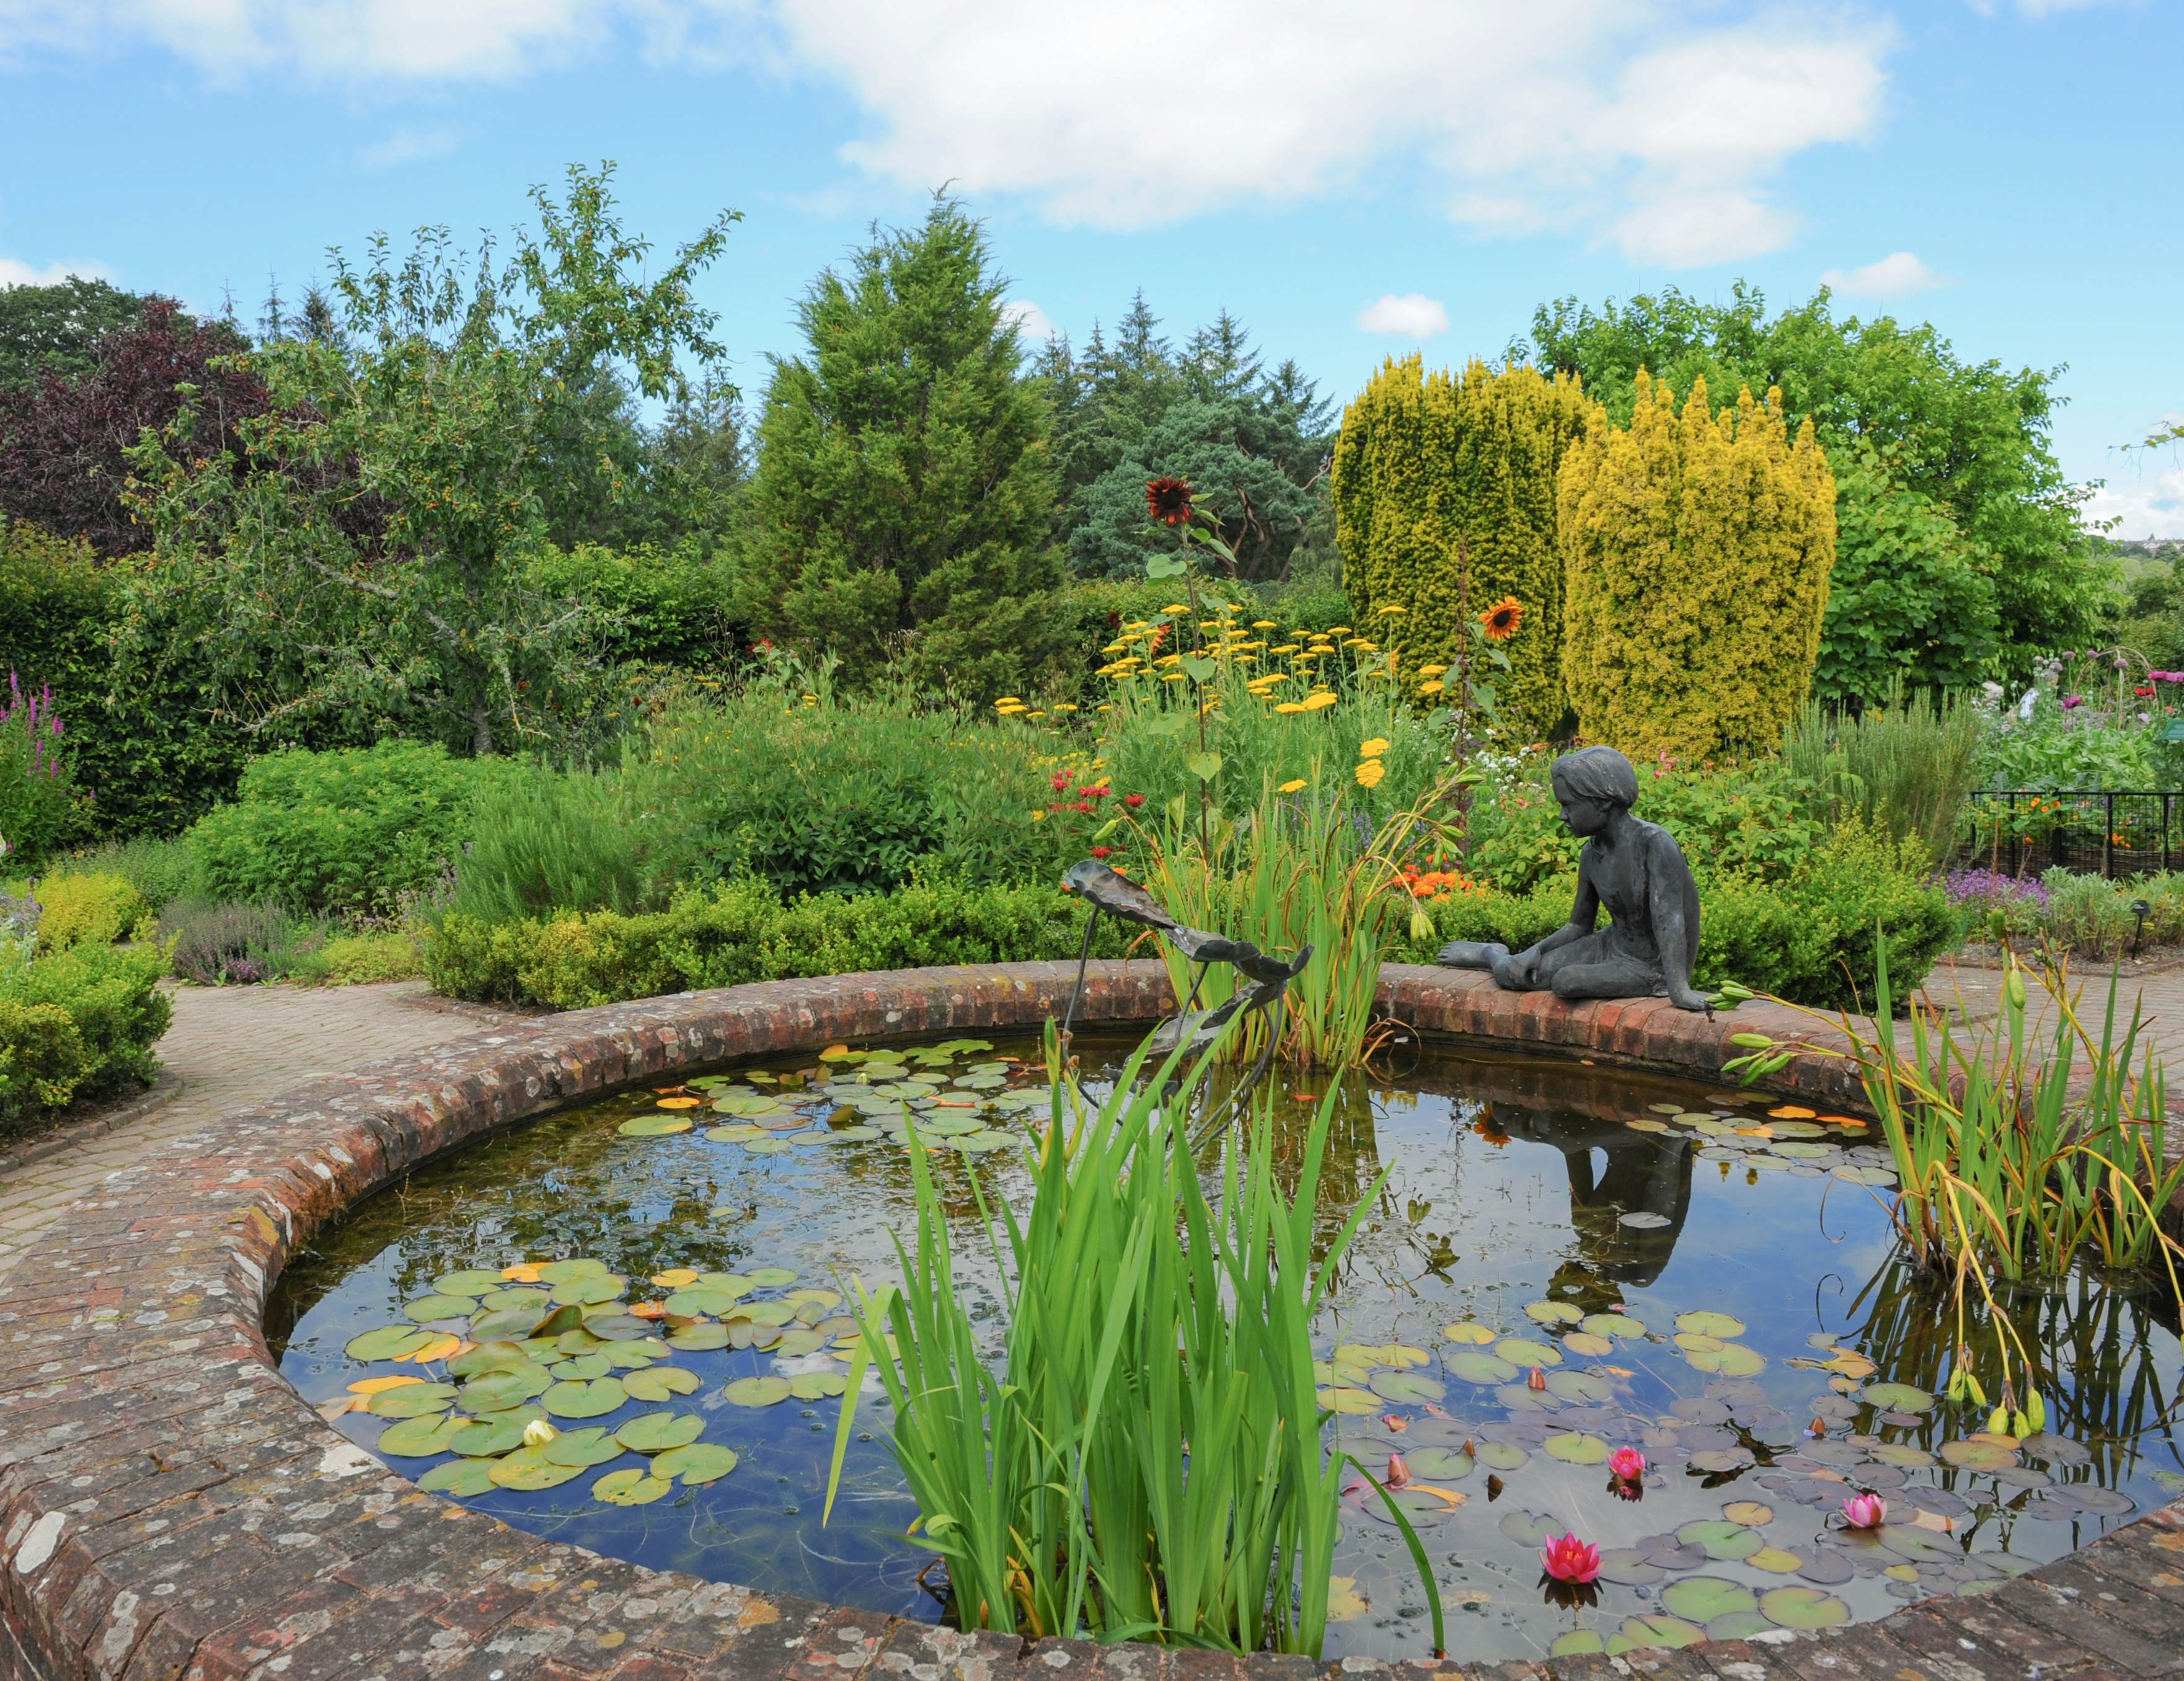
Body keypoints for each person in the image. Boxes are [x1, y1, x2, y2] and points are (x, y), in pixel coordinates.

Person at [1438, 745, 1708, 1011]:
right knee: (1516, 973)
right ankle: (1490, 954)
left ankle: (1660, 983)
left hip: (1651, 967)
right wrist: (1535, 951)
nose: (1562, 816)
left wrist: (1679, 990)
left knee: (1566, 981)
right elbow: (1579, 925)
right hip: (1610, 946)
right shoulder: (1592, 852)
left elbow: (1671, 921)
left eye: (1568, 805)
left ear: (1602, 802)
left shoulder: (1655, 844)